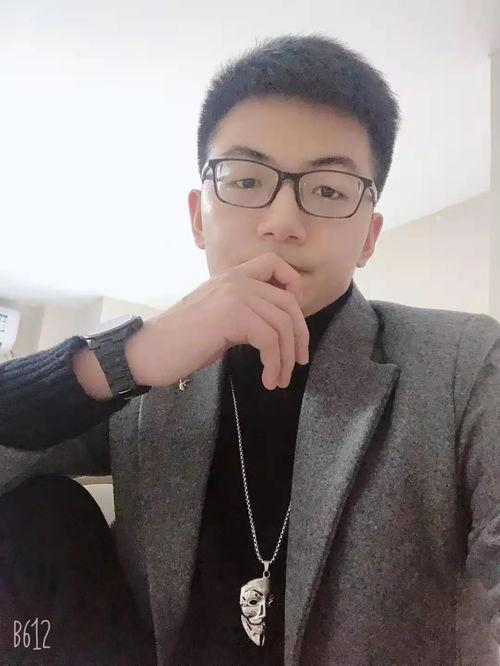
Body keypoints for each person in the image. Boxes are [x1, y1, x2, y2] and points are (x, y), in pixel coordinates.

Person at [1, 32, 500, 665]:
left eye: (328, 190)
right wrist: (132, 358)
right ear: (197, 216)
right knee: (34, 511)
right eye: (245, 179)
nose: (282, 222)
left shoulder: (463, 364)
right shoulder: (153, 381)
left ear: (369, 237)